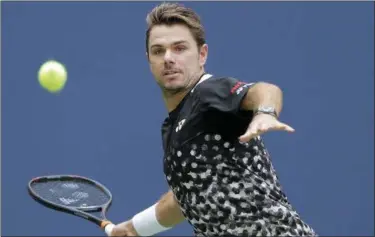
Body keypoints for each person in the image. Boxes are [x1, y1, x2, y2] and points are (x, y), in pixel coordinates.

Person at [109, 2, 317, 236]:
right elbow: (186, 198)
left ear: (202, 55)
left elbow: (263, 89)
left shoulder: (208, 92)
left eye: (179, 48)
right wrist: (133, 228)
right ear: (149, 60)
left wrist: (265, 112)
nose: (168, 58)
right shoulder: (173, 128)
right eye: (158, 51)